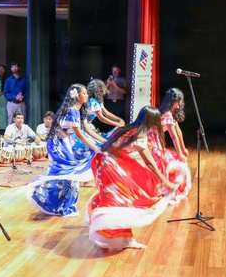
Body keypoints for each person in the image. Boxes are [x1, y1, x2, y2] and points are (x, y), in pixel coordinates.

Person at [85, 107, 177, 250]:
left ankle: (120, 237)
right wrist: (165, 181)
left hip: (101, 162)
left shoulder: (128, 128)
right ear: (152, 121)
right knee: (122, 200)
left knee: (120, 200)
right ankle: (115, 234)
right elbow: (149, 162)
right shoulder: (139, 135)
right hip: (107, 164)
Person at [26, 84, 101, 217]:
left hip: (63, 142)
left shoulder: (76, 110)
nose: (87, 95)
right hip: (57, 145)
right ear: (77, 96)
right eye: (85, 93)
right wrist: (95, 147)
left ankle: (64, 205)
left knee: (69, 175)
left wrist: (100, 143)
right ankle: (53, 201)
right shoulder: (72, 111)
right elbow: (79, 134)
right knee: (68, 174)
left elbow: (83, 131)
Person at [154, 88, 192, 201]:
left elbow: (178, 132)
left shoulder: (170, 114)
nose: (180, 103)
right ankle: (165, 188)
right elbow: (173, 136)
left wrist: (183, 148)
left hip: (156, 142)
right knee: (169, 163)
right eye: (178, 101)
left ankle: (164, 187)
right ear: (173, 101)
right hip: (152, 143)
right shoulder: (166, 115)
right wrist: (180, 153)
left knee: (169, 163)